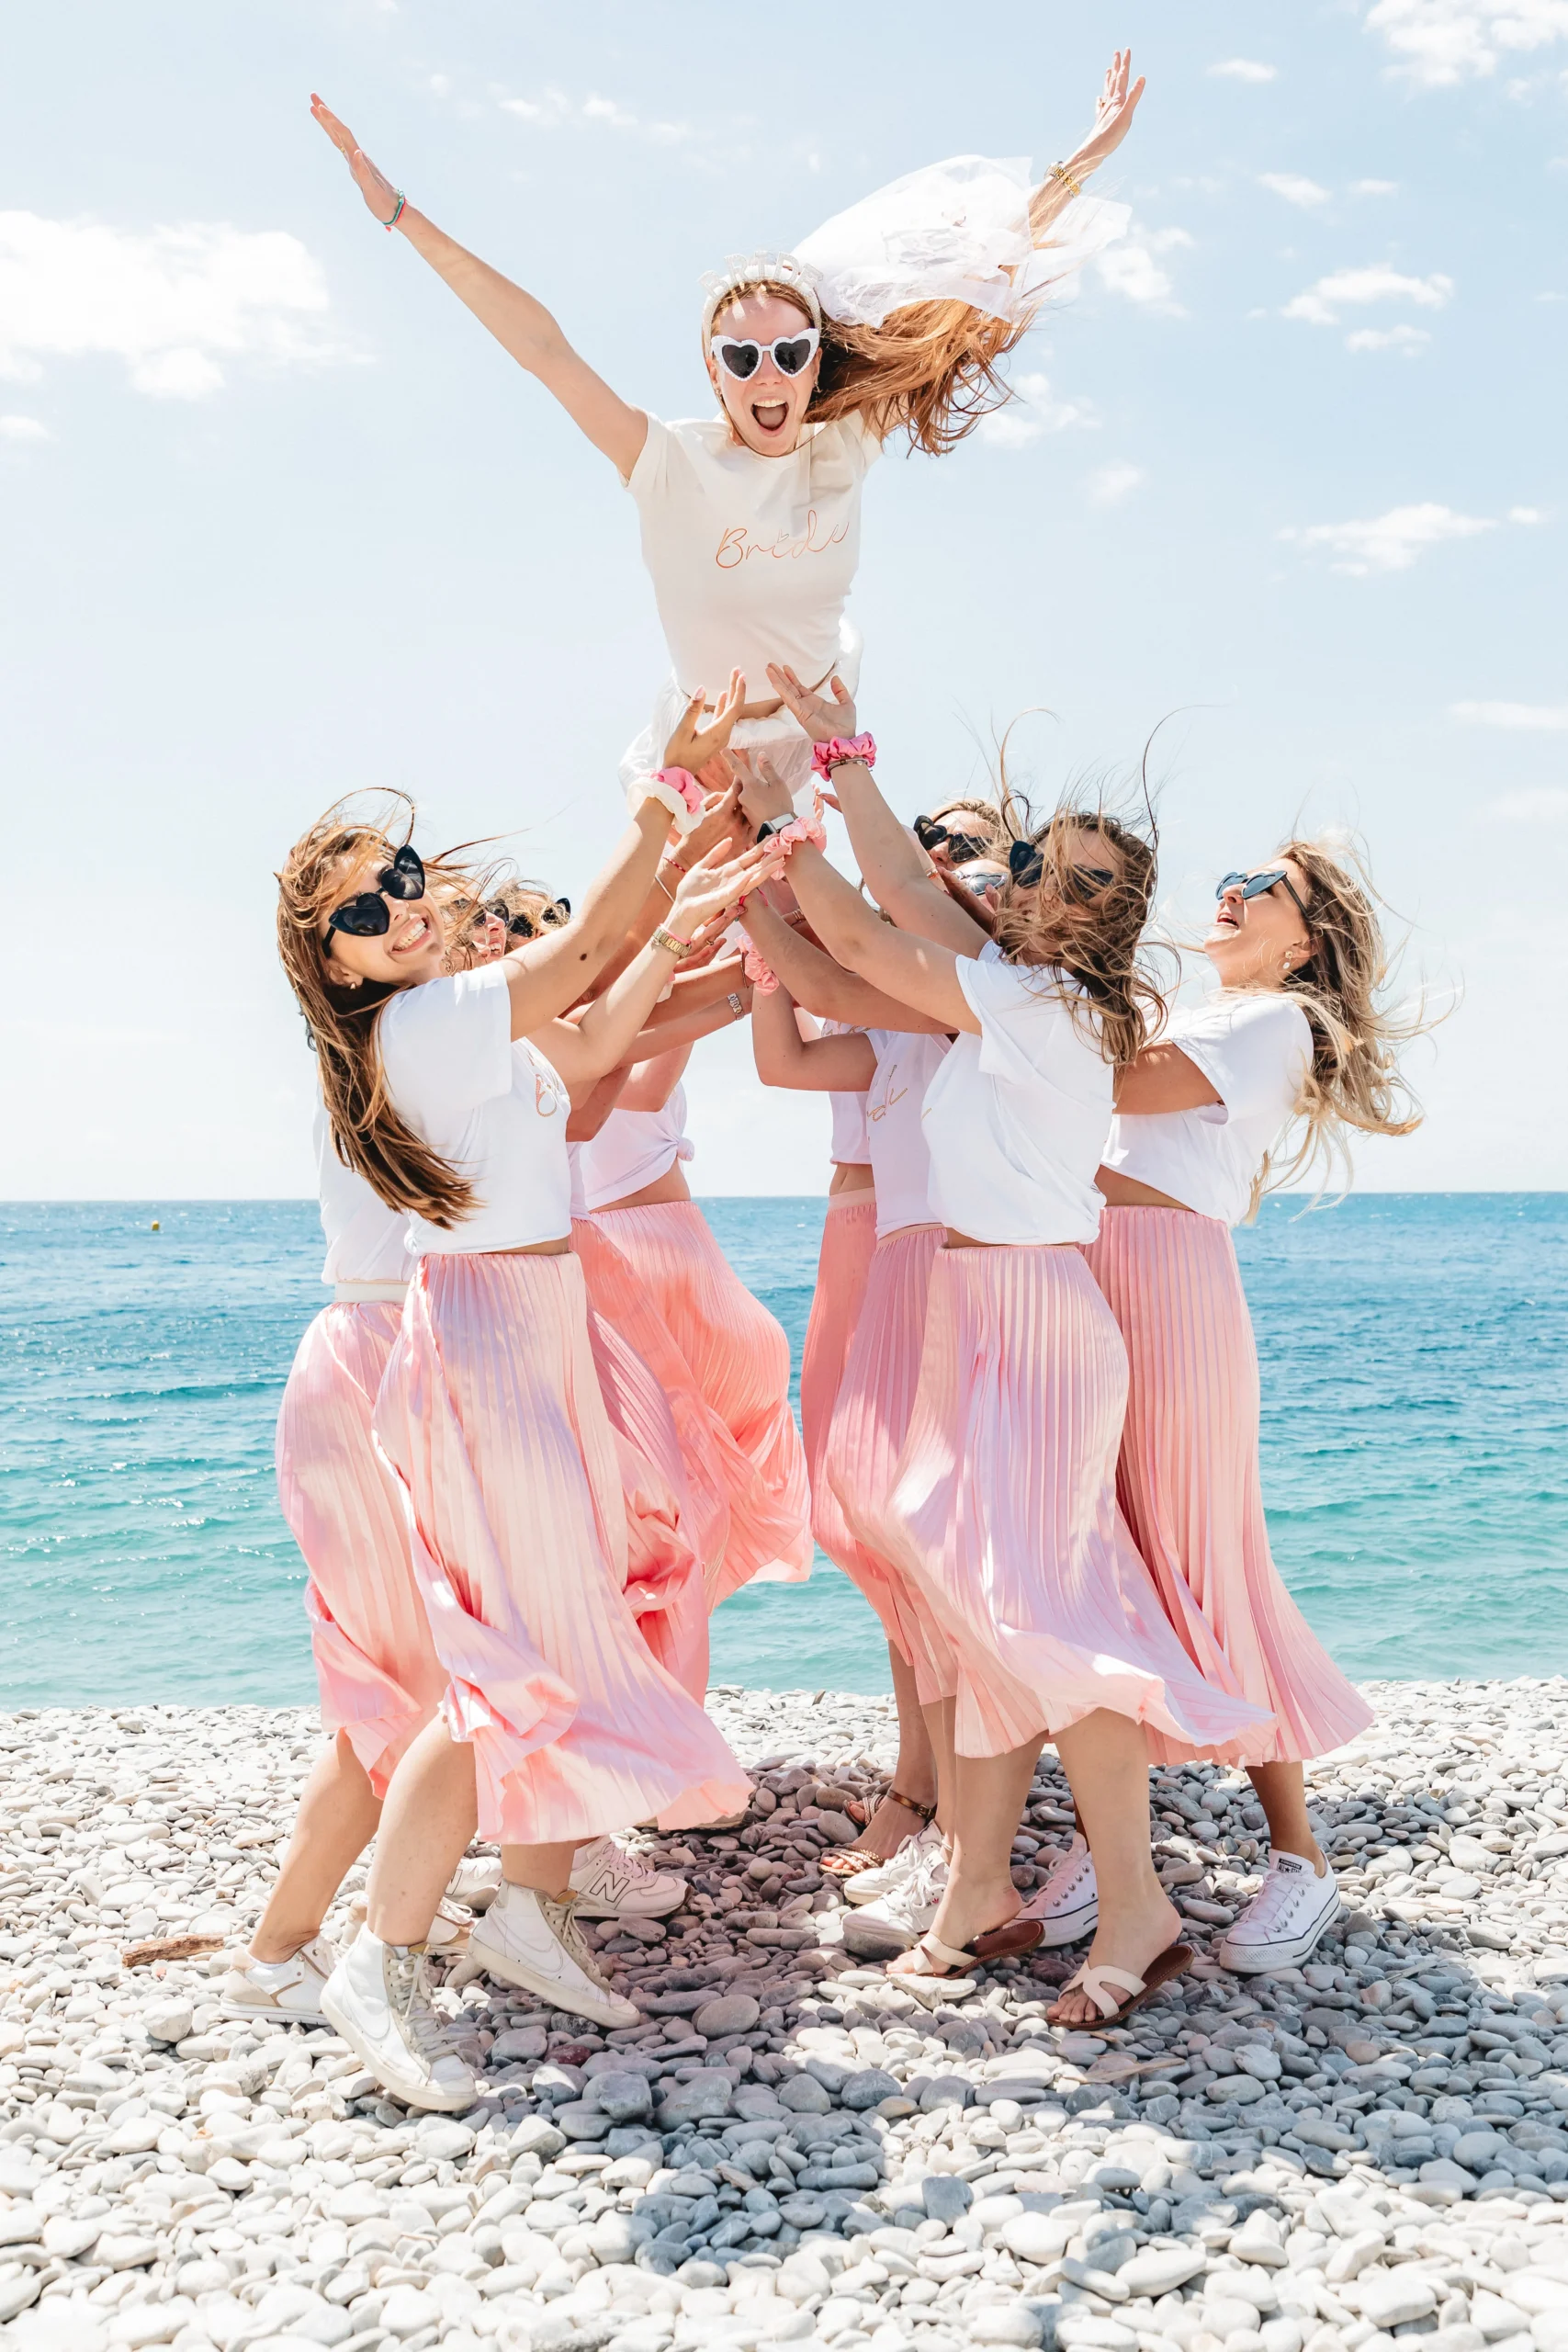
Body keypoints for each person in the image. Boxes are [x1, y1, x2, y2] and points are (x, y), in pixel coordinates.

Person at [746, 670, 1271, 2023]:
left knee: (1048, 1619)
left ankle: (1134, 1907)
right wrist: (832, 760)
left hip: (1035, 1324)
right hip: (976, 1316)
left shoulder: (1049, 1009)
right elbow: (901, 906)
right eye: (1038, 860)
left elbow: (865, 941)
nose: (1042, 884)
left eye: (1082, 882)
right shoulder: (1006, 982)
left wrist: (771, 827)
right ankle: (975, 1889)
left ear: (1112, 922)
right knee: (989, 1616)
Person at [274, 791, 776, 2105]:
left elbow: (603, 1028)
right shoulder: (428, 1019)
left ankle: (525, 1916)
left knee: (564, 1629)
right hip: (489, 1331)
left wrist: (692, 919)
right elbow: (581, 948)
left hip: (535, 1321)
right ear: (334, 959)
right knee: (503, 1662)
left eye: (403, 876)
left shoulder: (463, 1025)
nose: (403, 905)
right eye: (365, 913)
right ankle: (379, 1963)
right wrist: (668, 799)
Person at [310, 58, 1143, 798]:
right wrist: (401, 216)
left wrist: (1085, 160)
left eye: (789, 351)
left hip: (820, 751)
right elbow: (543, 349)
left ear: (818, 360)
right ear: (714, 373)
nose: (768, 374)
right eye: (742, 359)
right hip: (700, 756)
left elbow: (978, 281)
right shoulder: (669, 462)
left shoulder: (845, 441)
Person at [1082, 843, 1421, 1972]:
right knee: (1110, 1552)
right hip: (1097, 1264)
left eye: (1261, 885)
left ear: (1305, 936)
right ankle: (1114, 1834)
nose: (1229, 891)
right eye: (1229, 873)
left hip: (1167, 1276)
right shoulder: (1205, 1003)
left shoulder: (1274, 1019)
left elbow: (1121, 1086)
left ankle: (1300, 1857)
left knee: (1200, 1555)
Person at [748, 922, 950, 1884]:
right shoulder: (883, 983)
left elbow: (822, 963)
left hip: (921, 1233)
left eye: (960, 841)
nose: (936, 853)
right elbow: (782, 1062)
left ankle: (930, 1785)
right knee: (856, 1515)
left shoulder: (938, 977)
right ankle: (933, 1767)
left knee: (909, 1518)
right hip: (852, 1228)